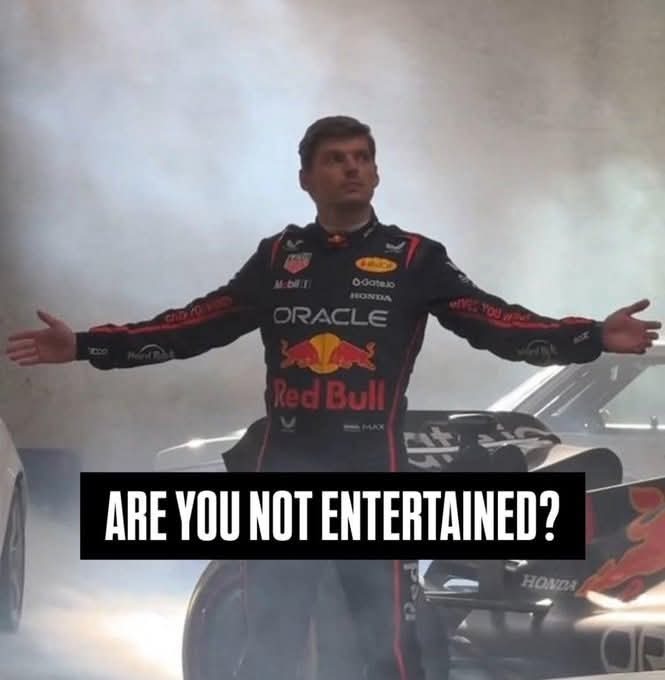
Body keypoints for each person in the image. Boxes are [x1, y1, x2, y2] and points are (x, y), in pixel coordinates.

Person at [5, 116, 661, 680]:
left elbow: (498, 323)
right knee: (269, 644)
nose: (351, 169)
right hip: (283, 477)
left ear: (376, 174)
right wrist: (86, 344)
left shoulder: (415, 257)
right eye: (335, 159)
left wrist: (590, 336)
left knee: (392, 648)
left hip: (374, 477)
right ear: (306, 178)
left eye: (362, 159)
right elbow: (192, 324)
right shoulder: (277, 257)